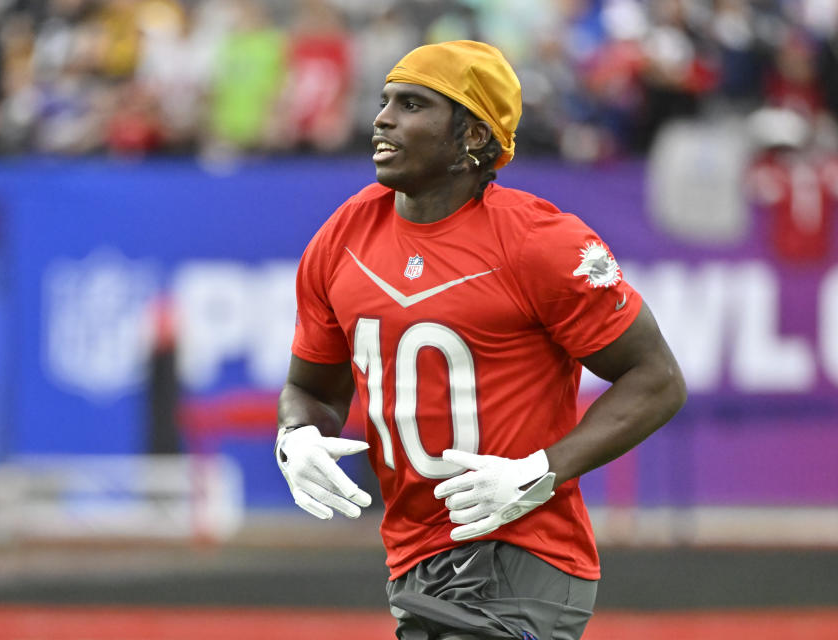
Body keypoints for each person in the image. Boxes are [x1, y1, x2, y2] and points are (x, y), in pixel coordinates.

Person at [275, 40, 687, 640]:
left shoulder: (539, 241)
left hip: (521, 550)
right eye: (385, 100)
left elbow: (657, 380)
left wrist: (539, 471)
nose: (382, 119)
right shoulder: (345, 234)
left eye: (413, 104)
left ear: (472, 136)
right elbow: (309, 387)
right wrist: (298, 434)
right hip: (411, 556)